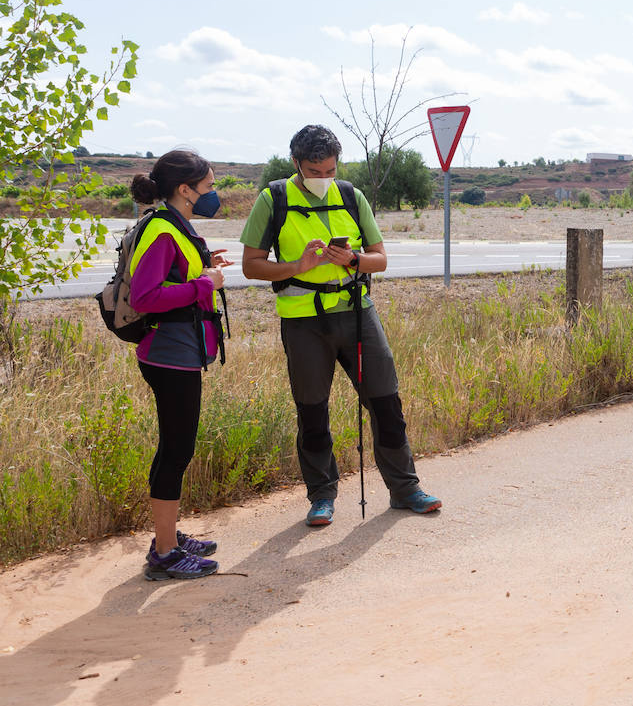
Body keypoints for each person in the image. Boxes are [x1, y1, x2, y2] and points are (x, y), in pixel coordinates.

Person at [239, 125, 441, 526]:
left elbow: (380, 259)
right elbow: (250, 265)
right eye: (315, 171)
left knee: (386, 402)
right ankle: (321, 497)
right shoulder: (273, 198)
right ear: (295, 163)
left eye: (330, 170)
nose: (323, 179)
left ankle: (406, 489)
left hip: (356, 313)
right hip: (303, 321)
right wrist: (299, 266)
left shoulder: (351, 195)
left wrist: (351, 262)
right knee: (312, 411)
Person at [128, 149, 232, 580]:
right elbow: (144, 297)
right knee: (176, 450)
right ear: (185, 190)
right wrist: (202, 284)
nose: (213, 195)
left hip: (179, 352)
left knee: (175, 448)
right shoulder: (161, 229)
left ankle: (166, 536)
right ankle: (165, 554)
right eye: (208, 187)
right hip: (169, 355)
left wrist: (204, 270)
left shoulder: (174, 224)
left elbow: (173, 278)